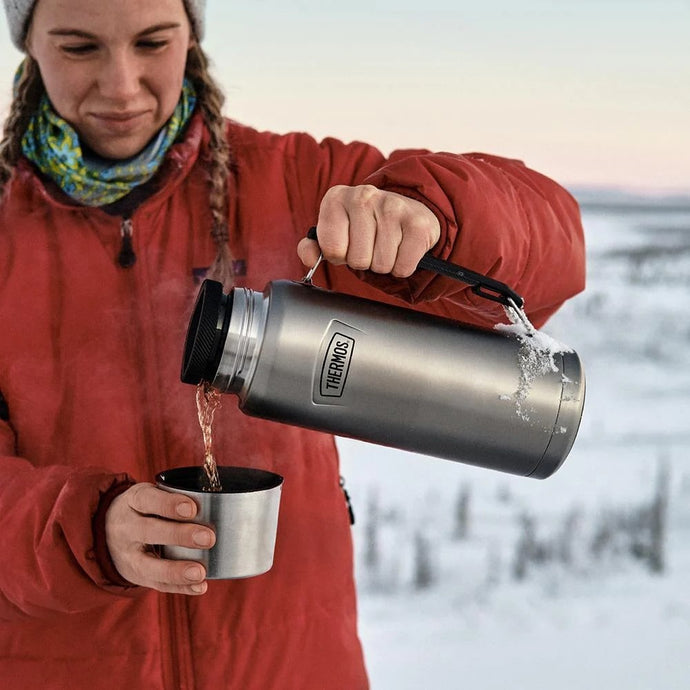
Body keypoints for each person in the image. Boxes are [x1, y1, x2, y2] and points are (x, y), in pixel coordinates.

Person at [0, 0, 585, 688]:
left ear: (192, 32)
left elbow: (559, 246)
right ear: (28, 42)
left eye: (154, 41)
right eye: (78, 48)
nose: (122, 85)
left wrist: (439, 219)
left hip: (296, 664)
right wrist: (84, 529)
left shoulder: (296, 182)